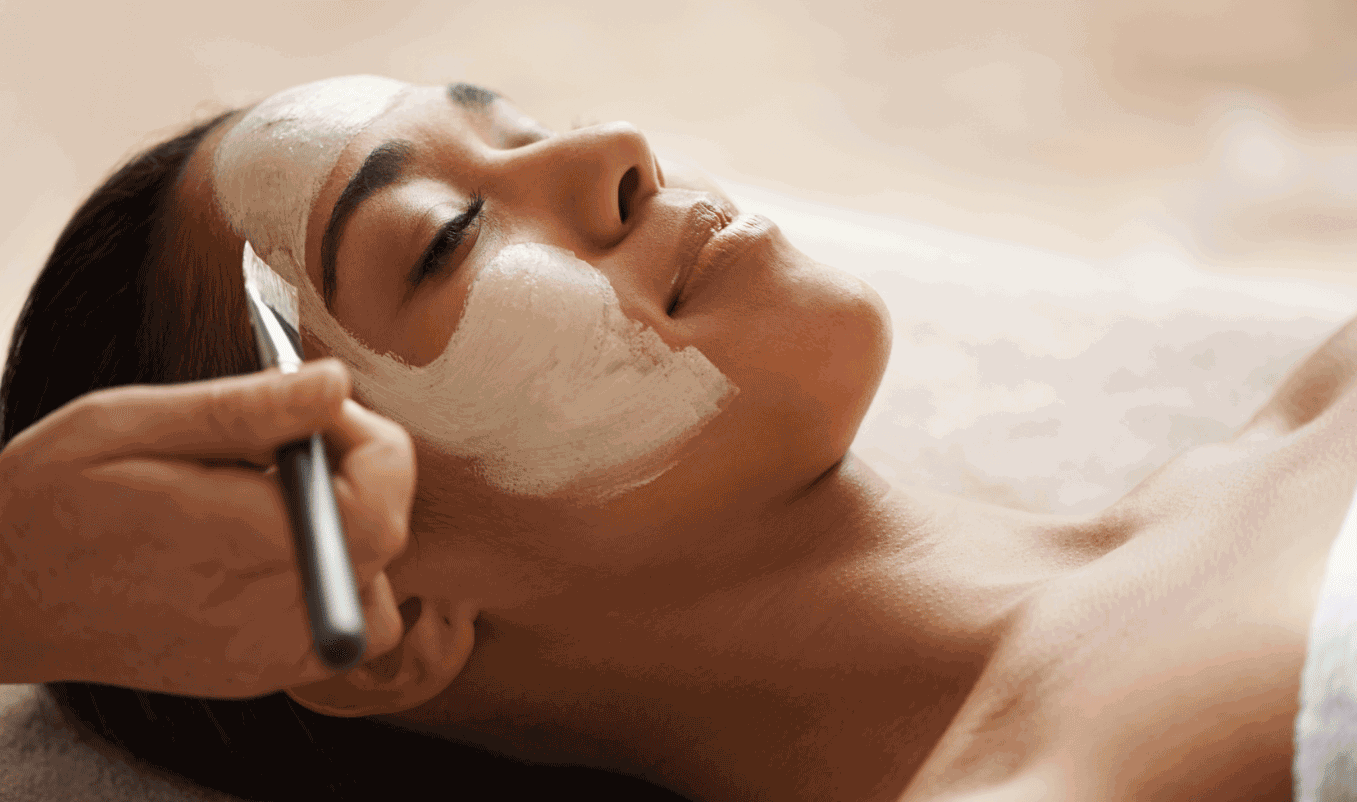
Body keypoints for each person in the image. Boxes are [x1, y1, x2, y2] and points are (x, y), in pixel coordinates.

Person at [4, 75, 1354, 802]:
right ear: (369, 589)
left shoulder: (1302, 416)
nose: (617, 148)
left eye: (517, 124)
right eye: (443, 239)